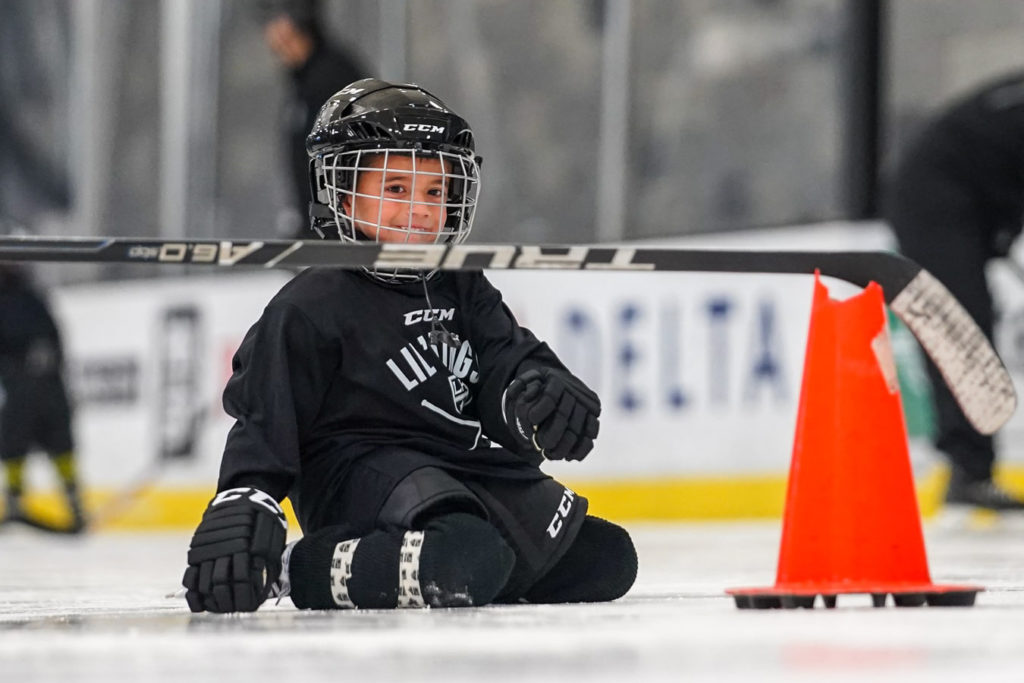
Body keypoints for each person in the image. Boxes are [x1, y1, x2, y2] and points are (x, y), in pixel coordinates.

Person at [181, 79, 638, 613]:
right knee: (467, 556)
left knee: (606, 559)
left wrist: (535, 394)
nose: (419, 211)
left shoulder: (460, 284)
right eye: (395, 189)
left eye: (434, 192)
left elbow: (502, 359)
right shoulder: (311, 303)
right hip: (363, 473)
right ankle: (298, 568)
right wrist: (246, 495)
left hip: (456, 466)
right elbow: (265, 417)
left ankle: (463, 561)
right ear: (344, 194)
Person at [884, 71, 1024, 512]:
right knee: (958, 324)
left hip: (977, 200)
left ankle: (971, 469)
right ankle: (968, 473)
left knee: (969, 321)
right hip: (932, 195)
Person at [260, 0, 368, 237]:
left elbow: (359, 158)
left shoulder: (333, 77)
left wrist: (331, 224)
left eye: (272, 18)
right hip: (318, 226)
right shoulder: (305, 75)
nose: (266, 30)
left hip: (341, 232)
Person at [0, 262, 85, 533]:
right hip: (25, 385)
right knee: (16, 444)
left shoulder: (30, 297)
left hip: (43, 384)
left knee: (59, 444)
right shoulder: (27, 296)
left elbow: (54, 338)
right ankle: (15, 503)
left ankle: (73, 504)